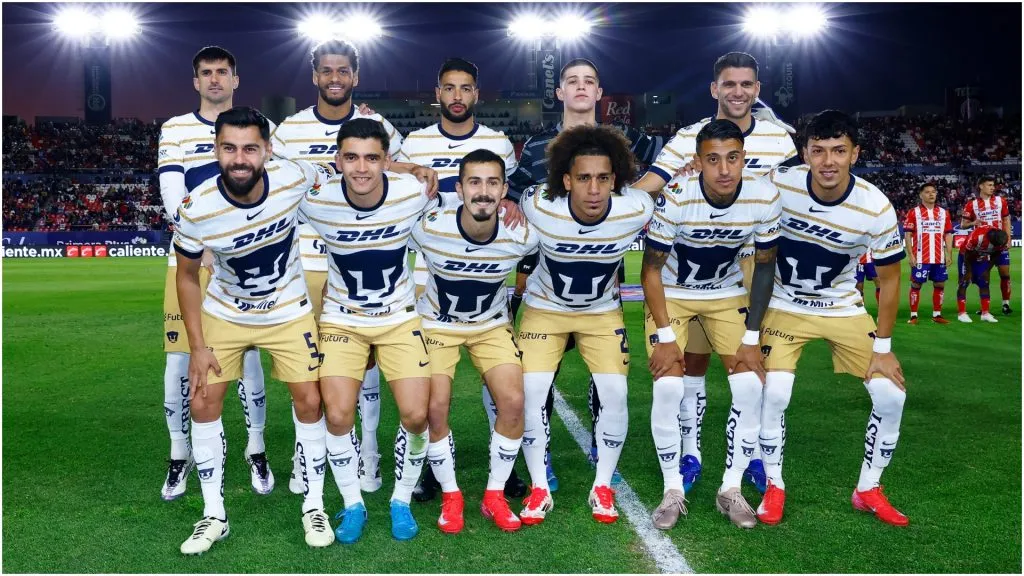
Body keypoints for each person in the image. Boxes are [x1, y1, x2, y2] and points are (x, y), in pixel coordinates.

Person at [270, 39, 436, 495]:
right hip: (306, 257)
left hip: (369, 249)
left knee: (372, 372)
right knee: (314, 373)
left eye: (343, 71)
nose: (335, 78)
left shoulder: (375, 123)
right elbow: (277, 186)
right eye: (327, 71)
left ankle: (370, 456)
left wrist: (417, 170)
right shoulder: (291, 128)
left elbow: (398, 167)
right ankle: (307, 459)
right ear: (315, 76)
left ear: (355, 76)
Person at [634, 51, 799, 496]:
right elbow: (652, 182)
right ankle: (691, 449)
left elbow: (796, 194)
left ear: (758, 90)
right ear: (715, 90)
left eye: (747, 84)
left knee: (755, 365)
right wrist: (619, 204)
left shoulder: (781, 140)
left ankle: (757, 454)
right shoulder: (690, 137)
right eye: (730, 84)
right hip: (695, 261)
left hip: (752, 262)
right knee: (693, 364)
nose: (738, 92)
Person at [173, 106, 334, 553]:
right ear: (215, 149)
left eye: (249, 148)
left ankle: (314, 505)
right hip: (226, 312)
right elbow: (186, 276)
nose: (239, 158)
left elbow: (344, 169)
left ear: (267, 150)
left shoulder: (294, 176)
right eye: (229, 148)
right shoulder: (198, 206)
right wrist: (198, 346)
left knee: (309, 399)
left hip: (287, 310)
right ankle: (213, 515)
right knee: (202, 400)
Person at [506, 57, 665, 489]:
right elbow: (514, 196)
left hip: (600, 272)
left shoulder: (627, 139)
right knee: (541, 377)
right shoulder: (539, 145)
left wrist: (633, 202)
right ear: (559, 93)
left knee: (604, 376)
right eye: (571, 81)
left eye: (589, 81)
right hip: (544, 274)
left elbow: (668, 166)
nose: (580, 87)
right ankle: (545, 454)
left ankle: (601, 440)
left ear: (599, 93)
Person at [759, 110, 909, 527]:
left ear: (855, 154)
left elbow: (891, 281)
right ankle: (774, 484)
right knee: (774, 393)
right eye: (818, 150)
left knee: (892, 396)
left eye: (839, 151)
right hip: (786, 305)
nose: (828, 161)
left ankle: (868, 488)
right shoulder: (779, 184)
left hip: (843, 307)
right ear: (804, 153)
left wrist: (883, 349)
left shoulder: (875, 206)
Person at [299, 118, 433, 543]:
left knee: (416, 415)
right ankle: (352, 502)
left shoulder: (413, 193)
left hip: (398, 318)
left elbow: (462, 209)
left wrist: (508, 204)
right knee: (337, 415)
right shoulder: (316, 200)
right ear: (338, 160)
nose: (361, 167)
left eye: (372, 157)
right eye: (352, 157)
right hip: (341, 319)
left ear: (387, 161)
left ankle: (401, 500)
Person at [641, 119, 780, 530]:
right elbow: (650, 271)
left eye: (733, 158)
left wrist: (753, 337)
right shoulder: (678, 196)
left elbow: (766, 269)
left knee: (751, 383)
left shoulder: (762, 196)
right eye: (713, 159)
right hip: (673, 292)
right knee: (668, 384)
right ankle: (672, 489)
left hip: (725, 293)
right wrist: (666, 338)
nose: (724, 169)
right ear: (698, 161)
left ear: (743, 159)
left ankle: (730, 488)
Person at [395, 57, 522, 501]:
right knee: (427, 392)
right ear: (437, 93)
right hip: (431, 264)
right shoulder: (415, 141)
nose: (456, 96)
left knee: (500, 385)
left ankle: (504, 468)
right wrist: (410, 170)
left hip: (488, 262)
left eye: (465, 88)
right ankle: (428, 467)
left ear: (476, 94)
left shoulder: (497, 142)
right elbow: (389, 176)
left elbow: (512, 197)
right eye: (448, 88)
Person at [517, 125, 654, 525]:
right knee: (531, 394)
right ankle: (540, 485)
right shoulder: (539, 205)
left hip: (601, 313)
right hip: (544, 309)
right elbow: (511, 202)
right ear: (565, 180)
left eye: (603, 178)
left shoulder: (636, 207)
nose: (594, 189)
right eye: (583, 178)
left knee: (615, 392)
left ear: (616, 181)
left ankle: (602, 485)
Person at [157, 46, 271, 502]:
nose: (215, 80)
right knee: (180, 360)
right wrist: (202, 246)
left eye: (223, 71)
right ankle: (178, 454)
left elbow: (279, 182)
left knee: (249, 357)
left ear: (236, 79)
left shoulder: (263, 127)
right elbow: (172, 193)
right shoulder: (176, 129)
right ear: (196, 81)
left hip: (248, 262)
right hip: (189, 260)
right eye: (206, 73)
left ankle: (256, 449)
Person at [410, 148, 536, 533]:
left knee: (514, 401)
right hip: (436, 325)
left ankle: (494, 494)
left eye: (493, 182)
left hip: (490, 326)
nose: (483, 191)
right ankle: (451, 495)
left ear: (504, 189)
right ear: (460, 187)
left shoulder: (522, 234)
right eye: (475, 182)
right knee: (435, 407)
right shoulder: (428, 226)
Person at [960, 176, 1013, 315]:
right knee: (984, 276)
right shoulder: (972, 205)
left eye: (993, 185)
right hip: (982, 246)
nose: (992, 187)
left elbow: (1006, 220)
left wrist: (1008, 239)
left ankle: (1006, 304)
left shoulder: (1001, 201)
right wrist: (973, 223)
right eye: (989, 185)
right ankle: (984, 307)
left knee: (1005, 273)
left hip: (1000, 245)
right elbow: (963, 224)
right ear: (981, 186)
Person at [904, 182, 954, 324]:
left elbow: (948, 235)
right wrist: (911, 255)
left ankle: (937, 315)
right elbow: (907, 235)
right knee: (916, 285)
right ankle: (913, 316)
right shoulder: (914, 212)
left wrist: (949, 254)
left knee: (940, 284)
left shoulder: (944, 213)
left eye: (933, 191)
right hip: (920, 257)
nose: (931, 194)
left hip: (939, 257)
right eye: (927, 192)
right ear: (921, 195)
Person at [956, 225, 1010, 323]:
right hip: (966, 257)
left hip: (982, 258)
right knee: (964, 282)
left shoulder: (1001, 238)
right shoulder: (977, 237)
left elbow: (996, 255)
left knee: (984, 283)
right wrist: (968, 272)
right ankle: (962, 313)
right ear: (990, 240)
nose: (997, 246)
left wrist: (987, 270)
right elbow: (967, 255)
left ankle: (985, 313)